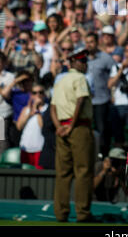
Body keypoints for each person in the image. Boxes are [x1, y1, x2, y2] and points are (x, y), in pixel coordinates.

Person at [50, 47, 94, 222]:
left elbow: (52, 107)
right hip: (79, 128)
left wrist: (59, 127)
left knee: (63, 172)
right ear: (75, 62)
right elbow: (81, 100)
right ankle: (83, 213)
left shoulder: (60, 81)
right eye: (83, 61)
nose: (85, 64)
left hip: (62, 128)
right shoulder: (80, 78)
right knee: (83, 171)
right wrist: (72, 125)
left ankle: (61, 213)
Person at [16, 83, 48, 169]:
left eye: (40, 92)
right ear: (31, 95)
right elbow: (19, 126)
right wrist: (30, 113)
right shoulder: (26, 109)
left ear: (44, 94)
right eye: (35, 93)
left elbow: (44, 128)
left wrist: (37, 111)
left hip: (40, 149)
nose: (38, 95)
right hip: (25, 149)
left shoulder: (48, 109)